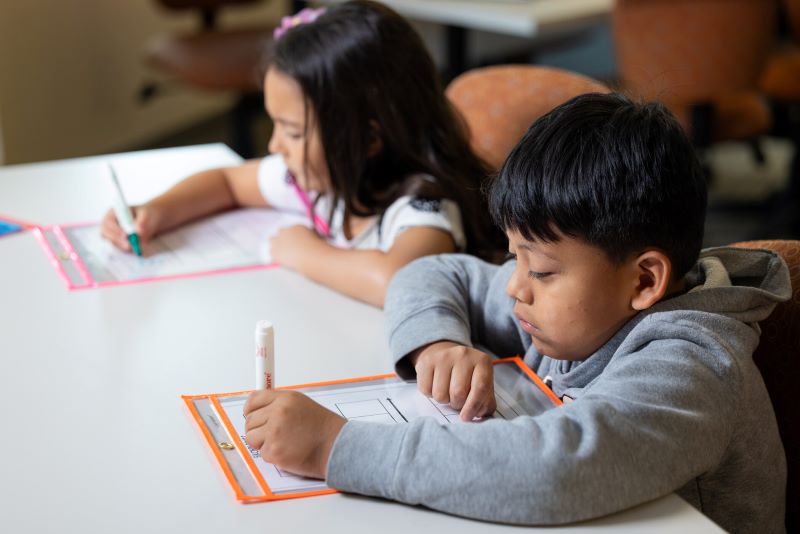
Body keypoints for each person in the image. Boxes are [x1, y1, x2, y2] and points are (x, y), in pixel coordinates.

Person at [241, 93, 790, 531]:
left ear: (644, 280)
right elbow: (432, 273)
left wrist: (335, 446)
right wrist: (438, 343)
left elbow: (554, 471)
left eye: (543, 271)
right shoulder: (569, 306)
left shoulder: (692, 369)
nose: (515, 288)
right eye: (513, 259)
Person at [102, 1, 500, 307]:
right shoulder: (325, 178)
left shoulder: (423, 206)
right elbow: (228, 181)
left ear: (369, 139)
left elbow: (397, 281)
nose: (274, 146)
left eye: (292, 131)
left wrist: (306, 252)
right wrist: (156, 211)